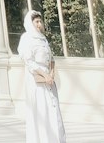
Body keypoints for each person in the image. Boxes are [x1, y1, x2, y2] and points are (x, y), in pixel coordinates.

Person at [17, 9, 66, 143]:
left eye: (40, 21)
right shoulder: (26, 38)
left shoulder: (43, 39)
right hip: (37, 80)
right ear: (30, 23)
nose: (39, 24)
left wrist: (51, 73)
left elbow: (50, 58)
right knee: (42, 111)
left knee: (53, 111)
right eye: (36, 22)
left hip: (48, 80)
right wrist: (44, 75)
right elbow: (29, 61)